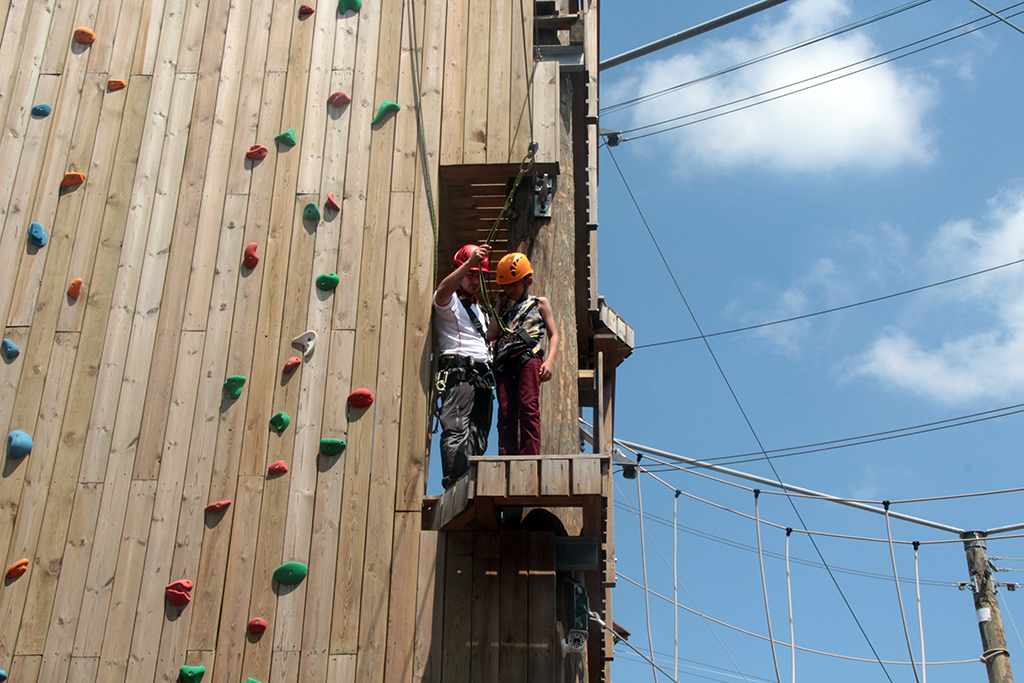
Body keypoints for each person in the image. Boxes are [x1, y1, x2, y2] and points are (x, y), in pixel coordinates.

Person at [434, 244, 494, 489]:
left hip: (482, 377)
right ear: (459, 269)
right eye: (471, 273)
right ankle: (455, 486)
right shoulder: (449, 302)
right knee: (456, 429)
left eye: (480, 274)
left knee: (478, 435)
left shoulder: (480, 310)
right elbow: (441, 291)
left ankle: (469, 485)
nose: (475, 279)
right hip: (459, 373)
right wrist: (469, 263)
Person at [488, 252, 559, 456]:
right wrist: (499, 304)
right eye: (506, 286)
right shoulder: (506, 313)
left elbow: (554, 335)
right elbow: (491, 334)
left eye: (514, 284)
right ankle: (507, 456)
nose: (510, 289)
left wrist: (550, 362)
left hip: (527, 357)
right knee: (506, 411)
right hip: (504, 362)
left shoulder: (539, 303)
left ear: (527, 281)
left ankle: (529, 455)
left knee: (528, 406)